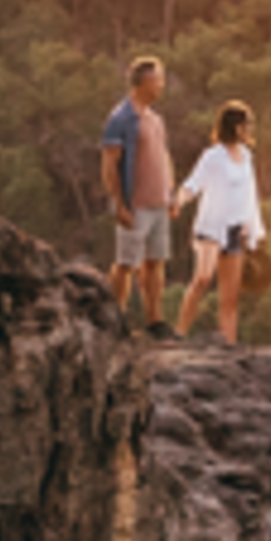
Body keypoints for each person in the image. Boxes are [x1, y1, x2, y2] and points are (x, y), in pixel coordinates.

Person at [174, 99, 267, 344]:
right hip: (211, 228)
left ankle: (228, 345)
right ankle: (180, 333)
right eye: (247, 124)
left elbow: (250, 193)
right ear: (236, 127)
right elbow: (193, 184)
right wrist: (179, 200)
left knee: (230, 297)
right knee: (202, 278)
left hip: (235, 230)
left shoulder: (246, 156)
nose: (250, 129)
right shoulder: (213, 157)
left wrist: (252, 228)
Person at [100, 56, 172, 334]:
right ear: (143, 82)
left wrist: (170, 194)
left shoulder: (155, 119)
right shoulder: (121, 119)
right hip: (135, 204)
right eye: (158, 80)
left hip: (159, 203)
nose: (161, 86)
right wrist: (119, 205)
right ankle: (114, 318)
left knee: (155, 262)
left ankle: (154, 321)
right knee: (126, 263)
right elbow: (109, 165)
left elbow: (164, 157)